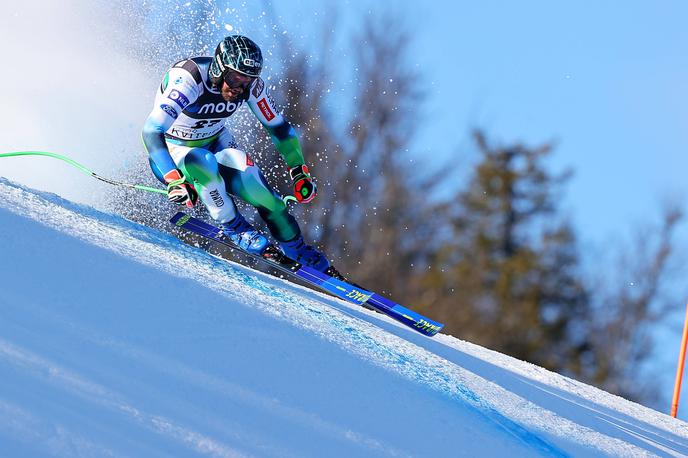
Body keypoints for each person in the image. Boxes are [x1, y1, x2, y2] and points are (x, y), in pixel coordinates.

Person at [142, 35, 331, 272]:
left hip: (216, 141)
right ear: (220, 68)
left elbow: (279, 128)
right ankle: (233, 225)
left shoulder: (252, 87)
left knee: (258, 187)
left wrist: (298, 171)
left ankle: (297, 248)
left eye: (247, 80)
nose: (239, 87)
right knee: (202, 161)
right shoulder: (188, 80)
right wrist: (173, 179)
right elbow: (151, 131)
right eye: (234, 78)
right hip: (174, 152)